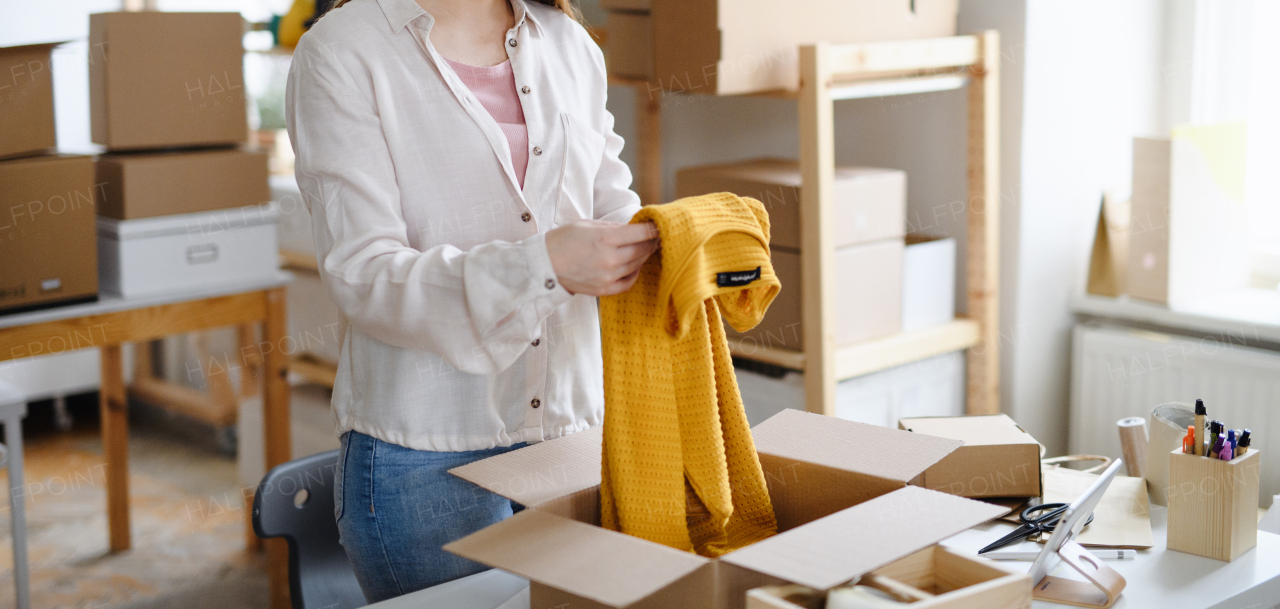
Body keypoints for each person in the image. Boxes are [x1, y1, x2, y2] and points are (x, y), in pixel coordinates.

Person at [285, 0, 657, 601]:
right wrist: (547, 264)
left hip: (573, 434)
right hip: (423, 456)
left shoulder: (569, 43)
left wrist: (681, 243)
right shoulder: (342, 50)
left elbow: (612, 206)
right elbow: (365, 274)